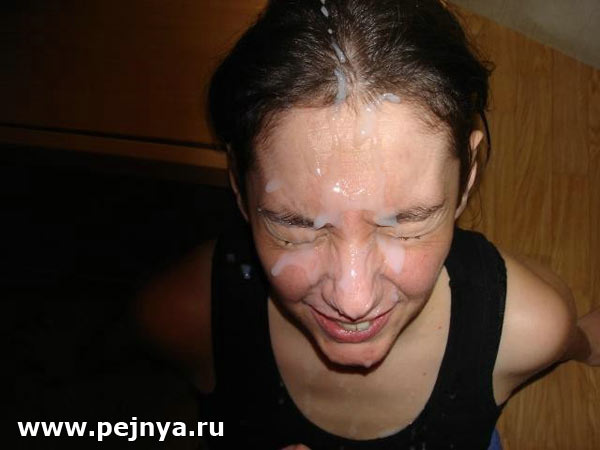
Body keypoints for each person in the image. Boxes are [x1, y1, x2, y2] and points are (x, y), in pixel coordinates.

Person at [135, 0, 600, 448]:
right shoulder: (181, 319)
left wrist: (576, 342)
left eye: (410, 223)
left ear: (468, 176)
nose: (353, 302)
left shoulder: (530, 328)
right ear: (239, 185)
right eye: (294, 226)